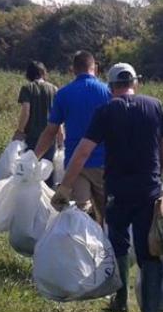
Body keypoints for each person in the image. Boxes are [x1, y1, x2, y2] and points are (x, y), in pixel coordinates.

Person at [51, 62, 163, 312]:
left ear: (110, 88)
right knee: (150, 252)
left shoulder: (106, 111)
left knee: (118, 244)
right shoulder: (156, 106)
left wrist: (66, 187)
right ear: (136, 82)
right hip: (150, 191)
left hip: (117, 192)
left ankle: (120, 301)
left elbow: (82, 153)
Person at [34, 51, 110, 223]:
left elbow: (50, 131)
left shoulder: (63, 94)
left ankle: (83, 248)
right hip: (104, 163)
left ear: (73, 70)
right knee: (108, 216)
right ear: (95, 68)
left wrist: (34, 157)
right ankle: (109, 247)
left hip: (76, 165)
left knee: (79, 216)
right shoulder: (108, 92)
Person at [13, 61, 63, 187]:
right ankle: (48, 201)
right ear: (43, 73)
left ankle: (29, 201)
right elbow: (58, 116)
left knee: (29, 169)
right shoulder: (54, 89)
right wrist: (60, 137)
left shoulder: (28, 88)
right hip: (50, 137)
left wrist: (20, 131)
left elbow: (26, 111)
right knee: (47, 170)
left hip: (32, 136)